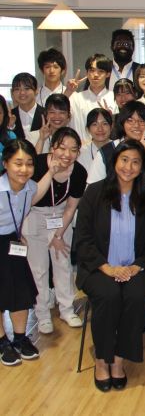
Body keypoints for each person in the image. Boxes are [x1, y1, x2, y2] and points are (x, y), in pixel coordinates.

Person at [75, 139, 145, 391]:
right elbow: (83, 240)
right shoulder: (94, 193)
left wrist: (136, 267)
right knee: (109, 294)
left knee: (136, 297)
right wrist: (108, 268)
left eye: (136, 161)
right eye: (124, 160)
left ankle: (119, 360)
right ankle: (102, 360)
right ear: (114, 162)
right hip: (99, 268)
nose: (129, 166)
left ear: (142, 167)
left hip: (138, 269)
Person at [0, 139, 56, 367]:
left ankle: (21, 338)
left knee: (21, 292)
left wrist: (51, 171)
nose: (24, 169)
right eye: (18, 163)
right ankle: (3, 342)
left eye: (29, 164)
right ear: (5, 164)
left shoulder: (29, 187)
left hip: (13, 241)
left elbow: (32, 197)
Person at [25, 127, 86, 334]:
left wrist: (59, 234)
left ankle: (67, 309)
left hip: (60, 218)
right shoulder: (39, 164)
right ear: (53, 147)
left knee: (63, 265)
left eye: (73, 149)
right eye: (62, 148)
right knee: (38, 269)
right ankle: (42, 314)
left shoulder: (79, 172)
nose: (67, 154)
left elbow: (71, 207)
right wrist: (51, 172)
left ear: (79, 152)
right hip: (34, 216)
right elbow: (30, 199)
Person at [87, 101, 145, 184]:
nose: (136, 125)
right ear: (122, 123)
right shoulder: (106, 152)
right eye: (130, 120)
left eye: (141, 121)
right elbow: (92, 189)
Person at [69, 54, 117, 144]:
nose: (95, 75)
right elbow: (58, 112)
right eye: (92, 70)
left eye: (101, 71)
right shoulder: (75, 98)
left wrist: (111, 119)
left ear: (108, 74)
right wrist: (68, 91)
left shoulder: (114, 98)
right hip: (81, 151)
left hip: (108, 149)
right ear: (87, 73)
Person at [9, 72, 45, 139]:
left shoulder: (46, 114)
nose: (22, 93)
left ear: (36, 90)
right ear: (12, 92)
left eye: (27, 88)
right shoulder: (8, 116)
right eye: (17, 89)